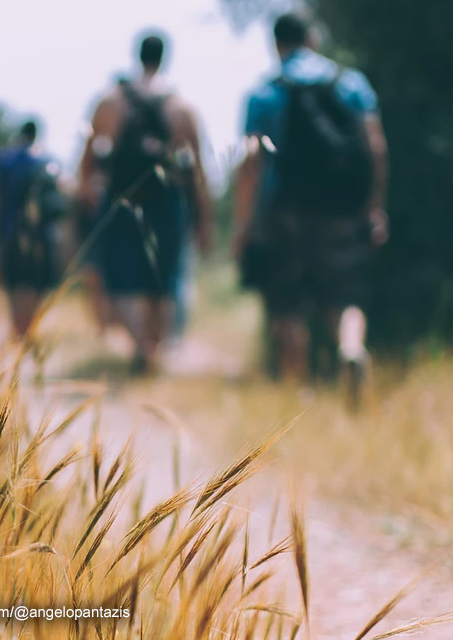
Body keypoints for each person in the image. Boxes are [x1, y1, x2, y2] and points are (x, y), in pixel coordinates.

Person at [233, 12, 389, 404]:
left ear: (276, 44)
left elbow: (251, 165)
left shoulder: (264, 93)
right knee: (344, 293)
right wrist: (374, 206)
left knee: (288, 302)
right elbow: (375, 147)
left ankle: (298, 395)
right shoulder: (349, 84)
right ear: (313, 39)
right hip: (341, 206)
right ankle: (350, 350)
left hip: (284, 210)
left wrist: (244, 224)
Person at [77, 33, 214, 375]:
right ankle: (154, 349)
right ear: (165, 57)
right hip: (167, 201)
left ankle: (140, 346)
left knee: (123, 279)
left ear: (137, 56)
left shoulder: (110, 101)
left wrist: (87, 199)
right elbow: (197, 171)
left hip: (121, 200)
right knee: (162, 279)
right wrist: (203, 219)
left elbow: (87, 161)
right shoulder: (181, 106)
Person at [0, 121, 65, 340]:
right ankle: (28, 329)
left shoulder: (5, 160)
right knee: (36, 284)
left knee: (15, 285)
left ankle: (18, 331)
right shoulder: (48, 160)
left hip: (10, 232)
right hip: (44, 235)